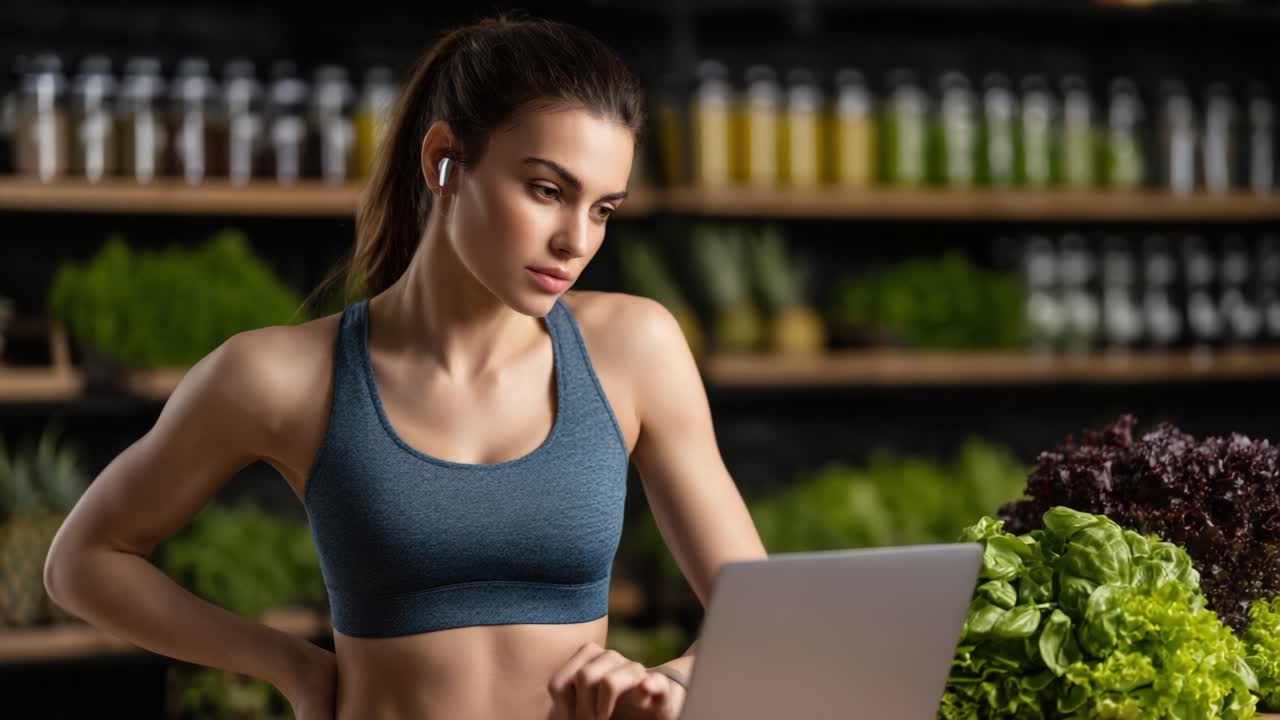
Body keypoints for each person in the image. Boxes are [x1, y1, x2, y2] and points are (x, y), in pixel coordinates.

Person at [43, 14, 767, 720]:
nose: (576, 240)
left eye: (603, 208)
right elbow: (83, 561)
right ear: (442, 160)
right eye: (547, 191)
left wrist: (670, 683)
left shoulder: (635, 350)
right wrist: (290, 663)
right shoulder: (283, 375)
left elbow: (762, 613)